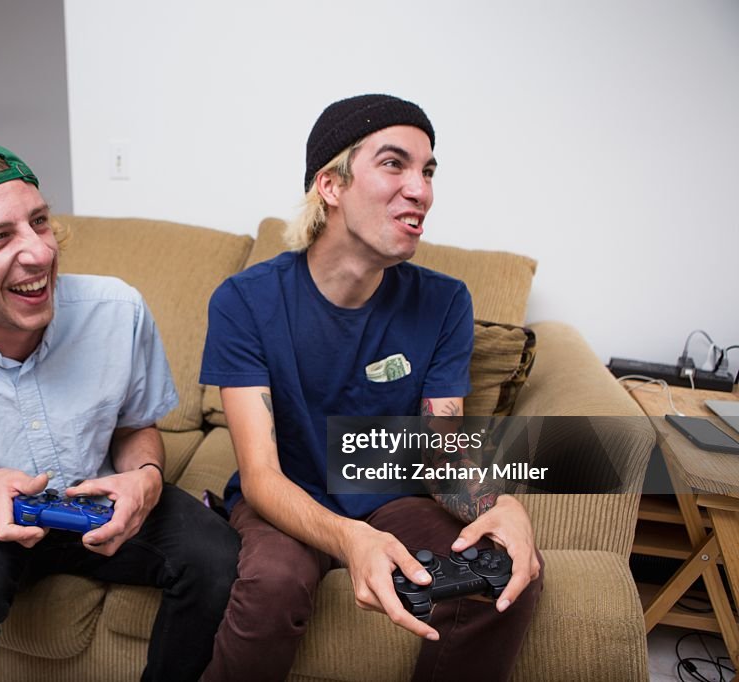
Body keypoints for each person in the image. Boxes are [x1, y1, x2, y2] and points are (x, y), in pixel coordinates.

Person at [0, 138, 239, 682]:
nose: (39, 253)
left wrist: (146, 481)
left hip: (99, 497)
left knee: (219, 559)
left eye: (38, 221)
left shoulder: (117, 310)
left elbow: (136, 427)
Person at [199, 95, 543, 681]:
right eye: (394, 164)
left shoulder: (445, 302)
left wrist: (500, 503)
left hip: (387, 491)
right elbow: (261, 477)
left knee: (503, 570)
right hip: (288, 494)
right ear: (330, 186)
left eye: (428, 171)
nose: (421, 191)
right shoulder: (245, 301)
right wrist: (349, 538)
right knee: (275, 584)